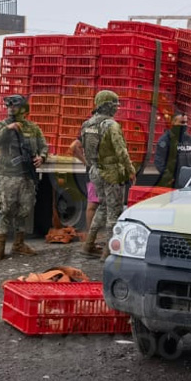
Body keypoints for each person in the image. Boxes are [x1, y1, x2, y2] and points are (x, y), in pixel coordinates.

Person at [0, 94, 49, 261]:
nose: (11, 109)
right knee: (5, 210)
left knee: (25, 210)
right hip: (8, 175)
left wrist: (41, 157)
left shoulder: (33, 128)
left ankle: (19, 244)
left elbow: (44, 146)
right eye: (9, 107)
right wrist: (7, 130)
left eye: (14, 106)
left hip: (27, 176)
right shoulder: (2, 126)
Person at [79, 90, 137, 259]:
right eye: (115, 106)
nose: (117, 109)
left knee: (102, 207)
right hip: (111, 173)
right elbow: (121, 151)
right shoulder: (111, 125)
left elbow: (85, 148)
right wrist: (130, 170)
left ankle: (88, 245)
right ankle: (108, 252)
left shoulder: (87, 124)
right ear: (108, 106)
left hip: (95, 170)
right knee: (114, 212)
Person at [152, 112, 191, 188]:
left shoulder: (189, 139)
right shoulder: (166, 140)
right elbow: (159, 161)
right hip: (173, 184)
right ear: (173, 122)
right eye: (182, 122)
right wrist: (169, 178)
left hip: (189, 183)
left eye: (186, 122)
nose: (185, 125)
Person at [69, 138, 100, 237]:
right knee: (94, 206)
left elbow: (73, 146)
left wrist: (86, 162)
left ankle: (91, 237)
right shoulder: (106, 130)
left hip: (93, 173)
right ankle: (91, 238)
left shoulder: (87, 130)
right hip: (99, 174)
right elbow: (73, 146)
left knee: (93, 206)